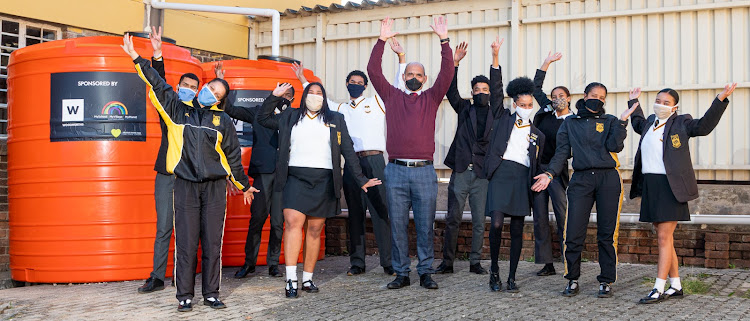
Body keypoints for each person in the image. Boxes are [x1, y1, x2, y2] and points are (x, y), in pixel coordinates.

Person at [121, 34, 258, 312]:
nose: (211, 93)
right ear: (203, 86)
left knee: (211, 243)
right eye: (210, 88)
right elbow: (157, 84)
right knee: (185, 243)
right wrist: (138, 58)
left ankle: (210, 293)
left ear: (220, 100)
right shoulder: (176, 110)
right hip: (184, 186)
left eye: (218, 94)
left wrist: (243, 186)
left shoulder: (223, 121)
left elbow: (231, 157)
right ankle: (184, 295)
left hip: (214, 189)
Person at [257, 82, 381, 298]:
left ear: (324, 98)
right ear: (304, 96)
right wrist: (273, 97)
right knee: (293, 224)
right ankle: (290, 280)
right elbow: (263, 118)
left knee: (314, 230)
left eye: (319, 94)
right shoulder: (290, 116)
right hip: (294, 177)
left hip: (323, 179)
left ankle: (307, 278)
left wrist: (361, 179)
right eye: (311, 93)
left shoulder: (336, 119)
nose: (315, 97)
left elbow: (348, 150)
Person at [624, 84, 737, 304]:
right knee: (665, 238)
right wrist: (633, 102)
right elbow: (636, 123)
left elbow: (703, 126)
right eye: (658, 101)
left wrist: (720, 100)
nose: (661, 105)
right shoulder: (649, 123)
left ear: (675, 106)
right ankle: (675, 285)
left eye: (666, 102)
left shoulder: (682, 123)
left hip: (670, 187)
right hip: (651, 186)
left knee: (664, 238)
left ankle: (658, 288)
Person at [367, 16, 454, 290]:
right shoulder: (391, 96)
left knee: (426, 225)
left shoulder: (432, 97)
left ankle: (426, 272)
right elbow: (373, 72)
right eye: (410, 74)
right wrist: (381, 41)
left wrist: (444, 41)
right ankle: (402, 273)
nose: (414, 78)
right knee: (398, 225)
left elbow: (448, 73)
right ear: (403, 76)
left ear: (424, 79)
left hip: (425, 172)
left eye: (419, 75)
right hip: (394, 171)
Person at [291, 62, 395, 277]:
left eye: (359, 83)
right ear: (347, 85)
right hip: (351, 164)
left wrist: (401, 58)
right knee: (355, 214)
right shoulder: (340, 109)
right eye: (352, 82)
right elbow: (318, 99)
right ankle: (357, 263)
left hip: (375, 161)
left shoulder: (376, 101)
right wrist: (303, 79)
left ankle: (389, 262)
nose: (355, 85)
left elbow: (394, 84)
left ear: (365, 86)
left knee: (380, 213)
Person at [532, 81, 628, 299]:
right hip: (581, 179)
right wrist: (550, 174)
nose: (598, 99)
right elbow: (561, 153)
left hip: (608, 179)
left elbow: (615, 147)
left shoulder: (611, 121)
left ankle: (606, 280)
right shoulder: (570, 123)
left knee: (607, 233)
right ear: (585, 96)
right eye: (594, 95)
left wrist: (622, 123)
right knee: (573, 231)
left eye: (602, 97)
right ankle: (572, 278)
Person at [138, 26, 202, 294]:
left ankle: (182, 275)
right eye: (185, 86)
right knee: (164, 226)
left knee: (187, 230)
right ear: (178, 89)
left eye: (193, 87)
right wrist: (157, 54)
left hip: (190, 179)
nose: (188, 90)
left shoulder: (202, 115)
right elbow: (158, 83)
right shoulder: (171, 108)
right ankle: (156, 276)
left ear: (198, 92)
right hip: (167, 176)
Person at [435, 37, 505, 276]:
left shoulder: (497, 111)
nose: (482, 93)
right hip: (462, 171)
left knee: (478, 221)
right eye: (478, 90)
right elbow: (450, 90)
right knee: (452, 218)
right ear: (472, 93)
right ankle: (447, 263)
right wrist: (454, 64)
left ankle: (475, 262)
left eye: (485, 90)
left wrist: (495, 57)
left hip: (483, 174)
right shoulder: (465, 108)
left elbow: (497, 88)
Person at [222, 62, 294, 279]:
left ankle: (273, 263)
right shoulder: (258, 112)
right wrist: (223, 85)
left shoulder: (293, 117)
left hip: (284, 175)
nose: (285, 97)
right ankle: (249, 263)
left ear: (291, 99)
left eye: (288, 95)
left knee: (278, 222)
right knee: (257, 219)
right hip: (263, 174)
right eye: (281, 92)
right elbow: (230, 109)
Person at [484, 77, 545, 292]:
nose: (526, 109)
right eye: (522, 105)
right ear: (514, 104)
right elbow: (496, 91)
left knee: (518, 229)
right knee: (497, 224)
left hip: (522, 178)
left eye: (530, 105)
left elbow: (538, 162)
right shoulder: (503, 119)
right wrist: (495, 59)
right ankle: (493, 271)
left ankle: (511, 276)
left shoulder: (538, 135)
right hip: (501, 174)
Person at [529, 51, 573, 277]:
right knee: (540, 218)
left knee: (562, 216)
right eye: (554, 95)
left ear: (569, 98)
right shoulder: (546, 113)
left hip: (557, 174)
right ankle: (547, 263)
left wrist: (552, 173)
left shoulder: (573, 121)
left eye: (561, 95)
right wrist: (546, 63)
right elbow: (536, 88)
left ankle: (569, 259)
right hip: (538, 171)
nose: (557, 98)